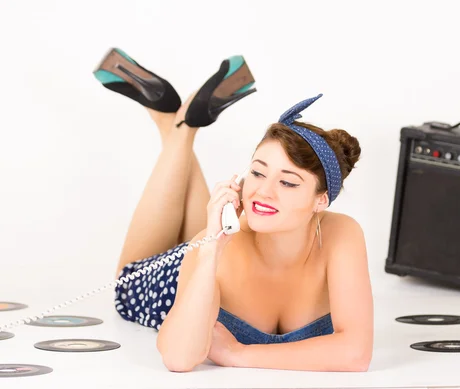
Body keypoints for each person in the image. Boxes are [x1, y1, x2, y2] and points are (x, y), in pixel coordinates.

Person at [94, 48, 373, 372]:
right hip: (192, 269)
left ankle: (176, 124)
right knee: (126, 283)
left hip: (216, 248)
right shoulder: (212, 247)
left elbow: (356, 354)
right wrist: (210, 249)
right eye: (257, 172)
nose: (263, 192)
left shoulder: (342, 234)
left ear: (321, 200)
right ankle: (179, 128)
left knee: (190, 224)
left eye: (288, 183)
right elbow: (179, 359)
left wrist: (238, 354)